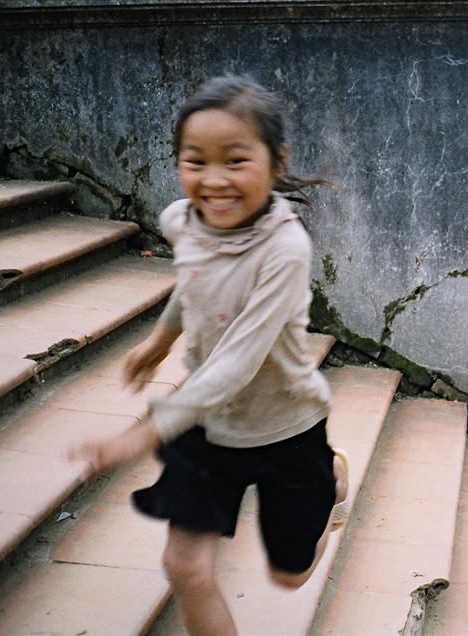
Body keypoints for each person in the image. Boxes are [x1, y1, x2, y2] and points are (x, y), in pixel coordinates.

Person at [72, 75, 349, 636]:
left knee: (291, 575)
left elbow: (238, 362)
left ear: (276, 162)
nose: (214, 180)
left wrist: (147, 431)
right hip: (207, 424)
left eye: (236, 161)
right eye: (195, 161)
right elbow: (195, 280)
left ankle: (332, 482)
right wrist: (161, 339)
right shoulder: (182, 220)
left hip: (285, 424)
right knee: (185, 567)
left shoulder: (286, 251)